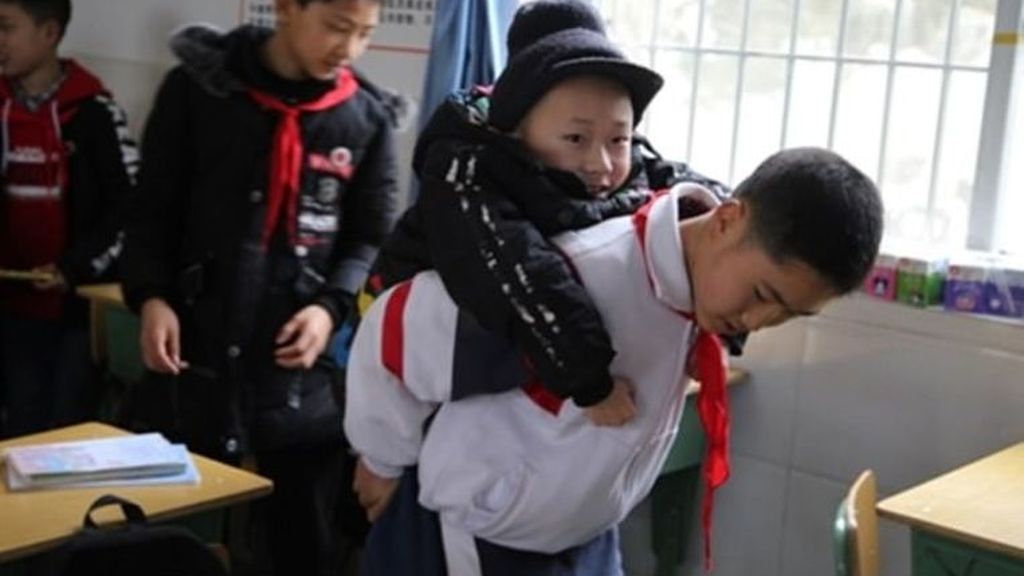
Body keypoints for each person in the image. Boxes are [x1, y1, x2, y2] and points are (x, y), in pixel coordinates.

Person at [345, 147, 884, 575]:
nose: (760, 322)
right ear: (727, 221)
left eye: (789, 315)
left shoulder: (692, 294)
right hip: (474, 540)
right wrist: (380, 457)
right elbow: (396, 331)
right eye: (763, 293)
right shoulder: (578, 278)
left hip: (584, 534)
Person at [352, 0, 731, 429]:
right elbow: (520, 275)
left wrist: (721, 326)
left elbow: (720, 218)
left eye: (618, 139)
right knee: (385, 468)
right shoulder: (467, 173)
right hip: (396, 355)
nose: (601, 163)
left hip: (502, 369)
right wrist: (591, 382)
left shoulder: (625, 165)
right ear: (517, 129)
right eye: (575, 137)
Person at [120, 0, 399, 574]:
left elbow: (370, 238)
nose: (348, 49)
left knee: (301, 541)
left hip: (297, 376)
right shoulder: (199, 91)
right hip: (193, 355)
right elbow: (150, 212)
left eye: (365, 34)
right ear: (287, 9)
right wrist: (151, 297)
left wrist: (330, 308)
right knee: (163, 542)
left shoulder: (366, 118)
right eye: (336, 27)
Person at [0, 0, 137, 437]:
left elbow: (128, 207)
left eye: (6, 28)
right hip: (7, 306)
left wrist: (72, 269)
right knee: (16, 425)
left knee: (61, 430)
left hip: (72, 313)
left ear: (50, 33)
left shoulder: (95, 112)